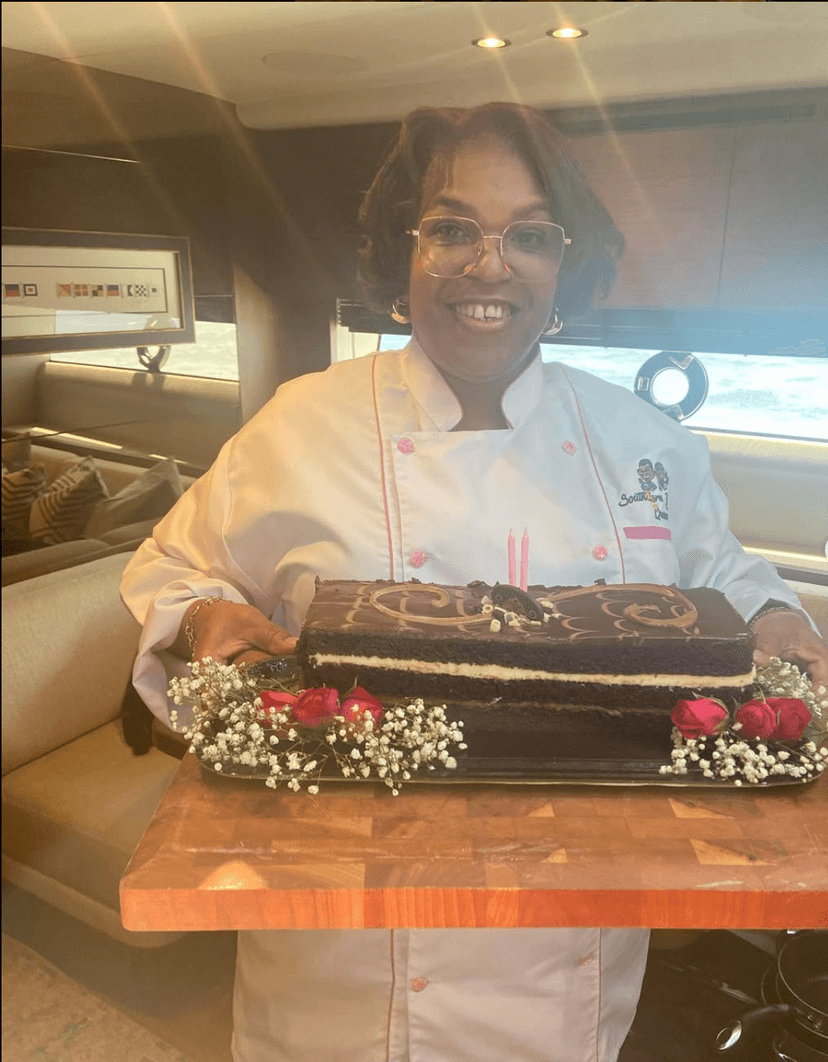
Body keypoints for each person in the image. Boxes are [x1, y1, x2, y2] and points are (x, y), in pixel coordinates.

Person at [121, 102, 828, 1062]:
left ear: (564, 264)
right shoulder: (299, 425)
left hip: (568, 961)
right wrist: (205, 613)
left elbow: (722, 573)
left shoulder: (640, 441)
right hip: (342, 968)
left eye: (529, 236)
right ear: (400, 251)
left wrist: (778, 615)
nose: (490, 267)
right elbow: (171, 563)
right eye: (452, 228)